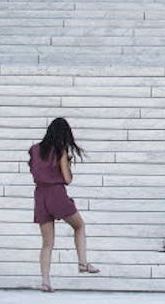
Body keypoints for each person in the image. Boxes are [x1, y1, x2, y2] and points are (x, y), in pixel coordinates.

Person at [29, 117, 98, 292]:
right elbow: (67, 179)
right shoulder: (60, 151)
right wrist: (68, 163)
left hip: (40, 195)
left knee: (47, 243)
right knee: (79, 226)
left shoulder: (34, 149)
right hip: (56, 193)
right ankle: (83, 263)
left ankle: (45, 281)